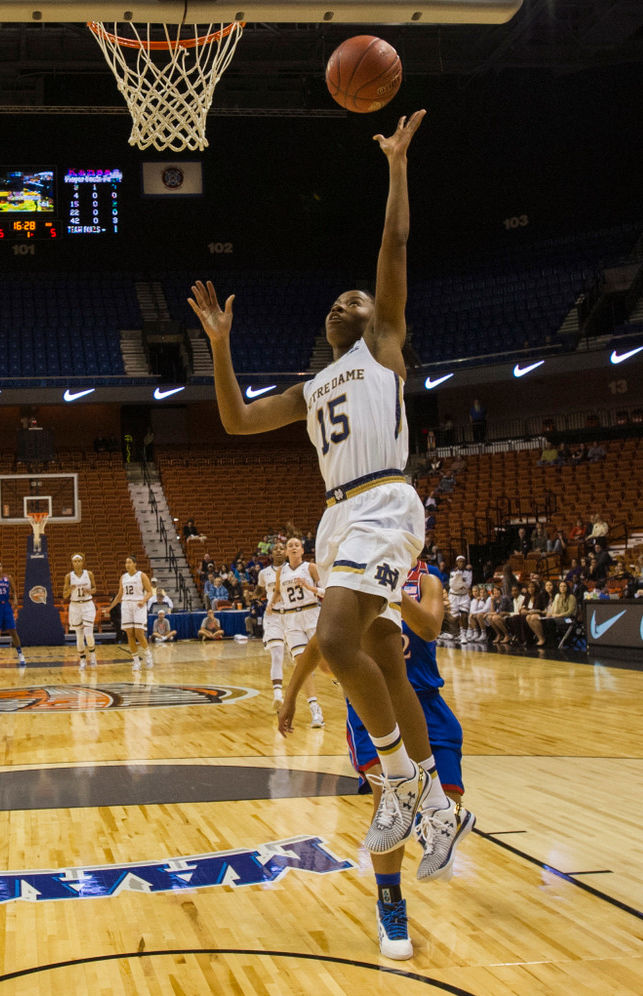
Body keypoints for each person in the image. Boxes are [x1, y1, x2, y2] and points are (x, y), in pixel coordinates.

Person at [189, 110, 451, 859]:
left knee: (335, 640)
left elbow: (395, 246)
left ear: (375, 319)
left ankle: (398, 782)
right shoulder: (311, 387)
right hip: (338, 515)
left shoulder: (386, 347)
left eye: (356, 300)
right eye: (338, 302)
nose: (346, 302)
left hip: (384, 499)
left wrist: (397, 164)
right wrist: (221, 346)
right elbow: (237, 419)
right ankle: (433, 798)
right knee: (381, 653)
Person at [277, 558, 475, 960]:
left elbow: (430, 629)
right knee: (391, 803)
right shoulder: (351, 575)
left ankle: (437, 825)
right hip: (371, 710)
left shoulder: (427, 581)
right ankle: (390, 905)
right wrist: (292, 695)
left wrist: (393, 593)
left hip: (427, 705)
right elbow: (319, 643)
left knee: (448, 802)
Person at [272, 535, 324, 728]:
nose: (293, 548)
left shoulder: (311, 568)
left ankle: (342, 683)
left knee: (326, 663)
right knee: (302, 664)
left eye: (297, 545)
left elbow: (325, 590)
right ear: (286, 552)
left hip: (312, 613)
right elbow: (278, 592)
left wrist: (309, 587)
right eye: (290, 546)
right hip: (291, 619)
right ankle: (315, 710)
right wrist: (271, 605)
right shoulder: (281, 572)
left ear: (302, 550)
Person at [253, 541, 288, 707]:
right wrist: (252, 595)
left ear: (286, 552)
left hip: (292, 615)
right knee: (277, 654)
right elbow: (260, 590)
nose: (279, 551)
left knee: (301, 658)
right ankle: (278, 695)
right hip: (273, 616)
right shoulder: (264, 573)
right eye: (276, 549)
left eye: (282, 549)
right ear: (271, 554)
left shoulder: (294, 570)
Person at [109, 555, 154, 671]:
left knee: (139, 633)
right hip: (126, 605)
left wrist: (143, 601)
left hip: (138, 605)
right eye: (126, 563)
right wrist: (110, 608)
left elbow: (149, 592)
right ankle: (136, 661)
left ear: (135, 564)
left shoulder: (141, 575)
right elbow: (120, 595)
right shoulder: (123, 577)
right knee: (129, 634)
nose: (127, 565)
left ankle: (148, 656)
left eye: (129, 562)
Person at [62, 552, 97, 669]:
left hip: (87, 604)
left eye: (78, 561)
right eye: (74, 561)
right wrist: (69, 590)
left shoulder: (89, 574)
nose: (77, 563)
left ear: (82, 562)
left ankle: (92, 655)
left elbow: (94, 588)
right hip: (75, 606)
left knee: (88, 633)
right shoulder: (68, 576)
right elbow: (64, 595)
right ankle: (82, 660)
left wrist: (90, 591)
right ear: (72, 563)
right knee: (79, 635)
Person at [448, 555, 472, 642]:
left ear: (465, 563)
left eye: (463, 561)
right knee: (454, 618)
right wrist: (462, 583)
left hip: (464, 596)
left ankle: (464, 635)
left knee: (464, 616)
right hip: (454, 596)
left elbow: (468, 585)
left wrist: (459, 583)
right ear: (456, 563)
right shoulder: (453, 572)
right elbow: (452, 585)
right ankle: (454, 632)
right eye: (460, 561)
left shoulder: (469, 572)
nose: (461, 563)